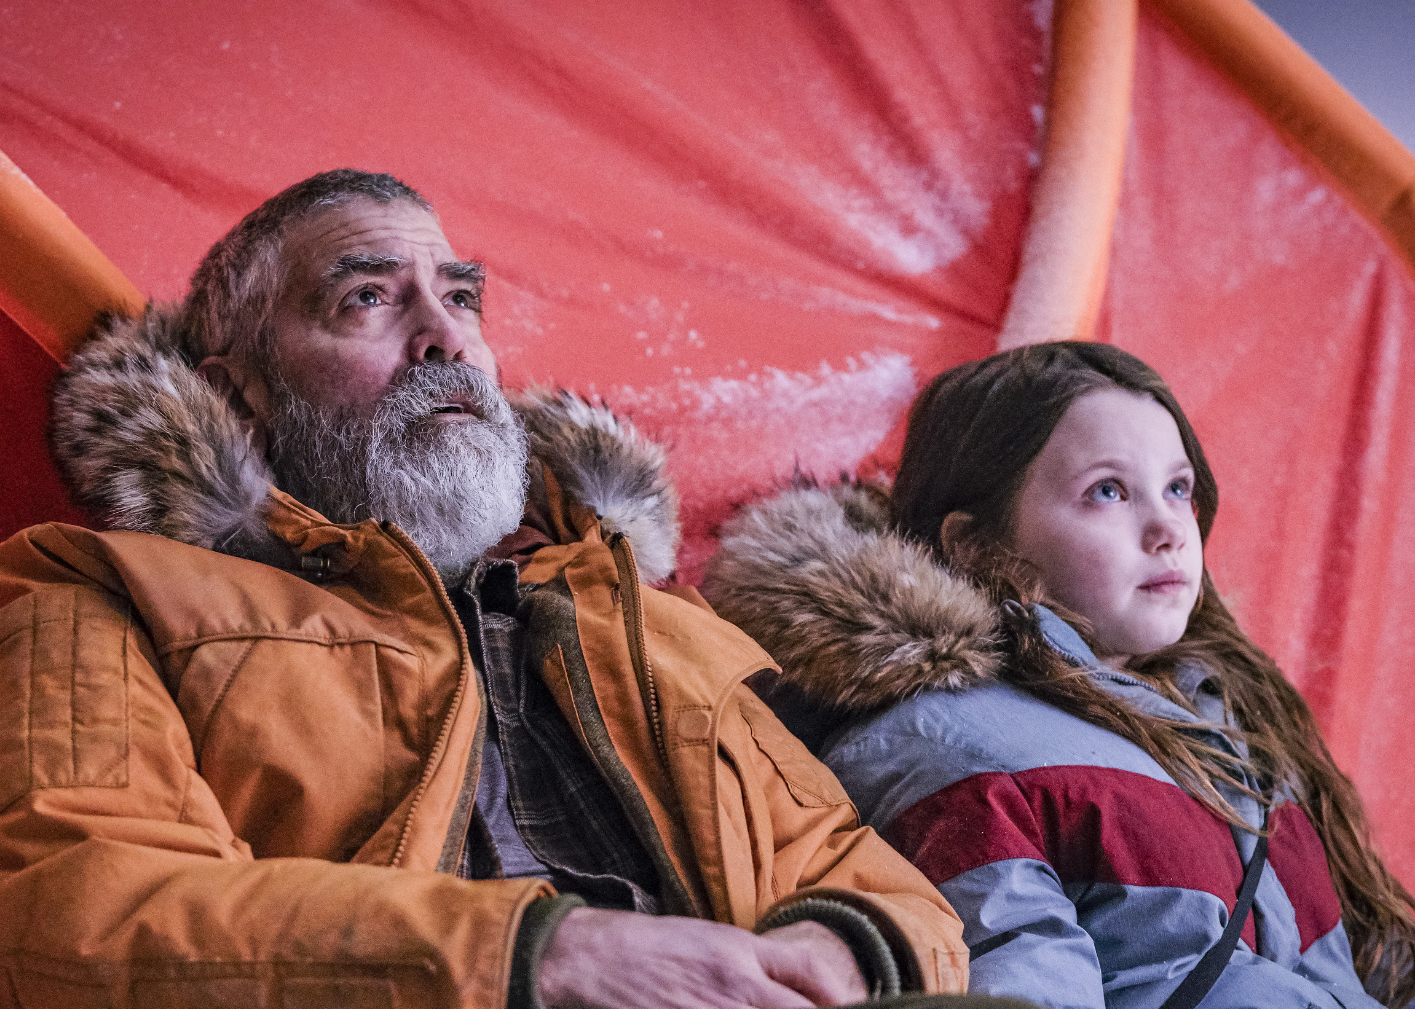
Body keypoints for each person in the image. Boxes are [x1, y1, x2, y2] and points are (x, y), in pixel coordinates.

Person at [0, 169, 998, 1008]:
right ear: (237, 394)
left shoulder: (648, 618)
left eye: (462, 298)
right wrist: (540, 958)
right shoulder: (104, 594)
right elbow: (72, 914)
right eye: (367, 298)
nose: (445, 339)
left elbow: (868, 880)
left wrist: (838, 950)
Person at [702, 341, 1415, 1009]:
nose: (1168, 528)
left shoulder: (1224, 716)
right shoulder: (945, 746)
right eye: (1107, 492)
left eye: (1177, 488)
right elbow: (1021, 980)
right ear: (975, 546)